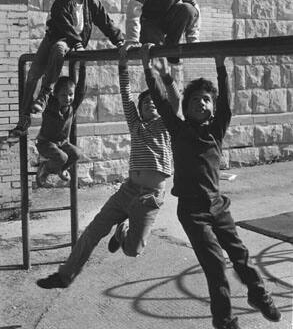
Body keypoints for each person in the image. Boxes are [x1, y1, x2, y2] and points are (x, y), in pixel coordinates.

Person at [142, 44, 281, 329]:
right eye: (195, 99)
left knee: (240, 253)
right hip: (192, 211)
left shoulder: (216, 131)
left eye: (206, 100)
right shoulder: (178, 129)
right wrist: (148, 69)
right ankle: (225, 320)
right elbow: (159, 100)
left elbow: (226, 102)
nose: (201, 103)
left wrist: (220, 65)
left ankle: (258, 294)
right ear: (186, 106)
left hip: (217, 205)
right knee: (215, 264)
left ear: (212, 108)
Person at [36, 47, 180, 289]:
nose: (150, 106)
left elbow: (174, 101)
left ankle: (122, 231)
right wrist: (122, 66)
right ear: (141, 108)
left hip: (150, 197)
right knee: (93, 230)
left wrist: (161, 76)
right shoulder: (135, 124)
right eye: (145, 103)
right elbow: (126, 95)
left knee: (133, 251)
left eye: (154, 103)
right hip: (128, 190)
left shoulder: (165, 124)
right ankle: (65, 275)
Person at [9, 0, 125, 140]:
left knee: (78, 82)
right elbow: (64, 26)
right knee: (34, 73)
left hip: (76, 43)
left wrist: (119, 41)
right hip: (56, 39)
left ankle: (64, 122)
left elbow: (105, 21)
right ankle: (29, 113)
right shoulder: (60, 3)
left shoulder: (91, 1)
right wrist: (77, 42)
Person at [35, 61, 86, 186]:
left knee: (76, 154)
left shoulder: (72, 106)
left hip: (62, 143)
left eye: (70, 95)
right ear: (55, 95)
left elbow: (81, 89)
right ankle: (45, 169)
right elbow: (44, 86)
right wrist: (51, 63)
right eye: (63, 95)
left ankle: (61, 169)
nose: (68, 98)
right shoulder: (50, 104)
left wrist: (83, 66)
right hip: (45, 142)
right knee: (62, 157)